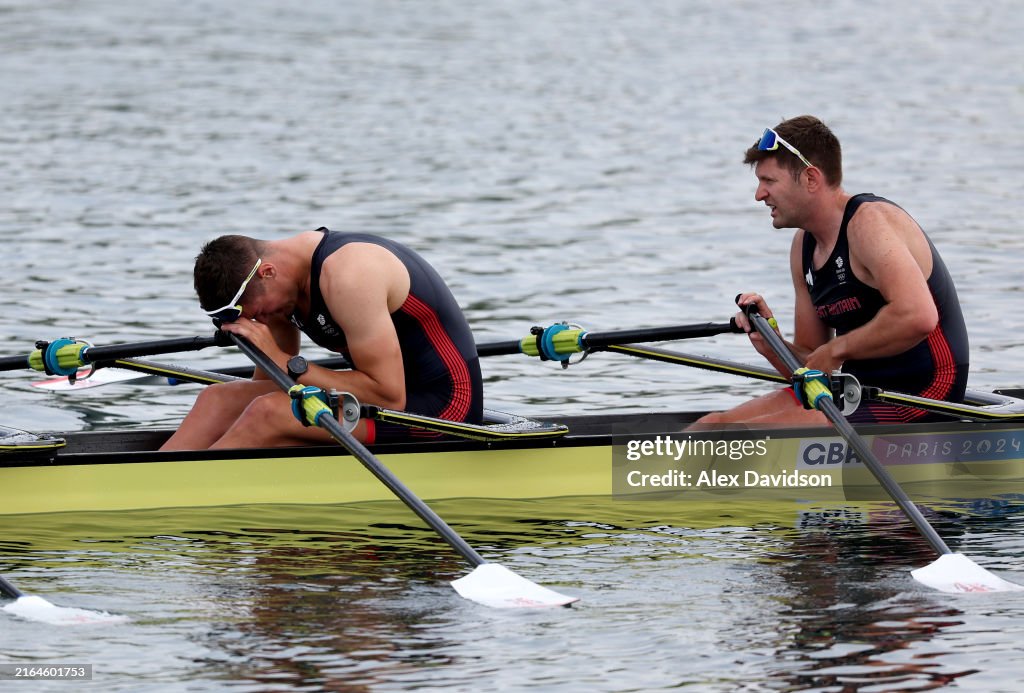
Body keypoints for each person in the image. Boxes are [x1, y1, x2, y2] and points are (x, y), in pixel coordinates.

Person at [697, 115, 968, 426]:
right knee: (714, 425)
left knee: (749, 434)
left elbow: (918, 316)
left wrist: (837, 349)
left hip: (925, 394)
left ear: (811, 178)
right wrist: (772, 344)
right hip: (855, 392)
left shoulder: (869, 224)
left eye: (769, 181)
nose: (759, 194)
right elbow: (813, 365)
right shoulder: (803, 247)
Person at [160, 227, 483, 450]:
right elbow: (270, 384)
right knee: (218, 399)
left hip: (443, 412)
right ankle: (152, 484)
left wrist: (284, 362)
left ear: (267, 273)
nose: (255, 320)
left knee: (268, 413)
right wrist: (273, 365)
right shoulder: (282, 287)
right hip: (378, 401)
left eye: (252, 311)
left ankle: (179, 497)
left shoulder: (350, 276)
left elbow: (389, 396)